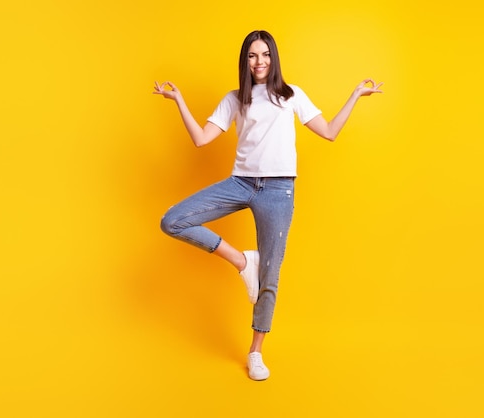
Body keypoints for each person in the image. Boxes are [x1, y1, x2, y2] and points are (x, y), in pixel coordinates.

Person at [153, 30, 382, 381]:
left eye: (265, 55)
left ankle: (256, 352)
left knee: (270, 278)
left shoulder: (292, 96)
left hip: (278, 190)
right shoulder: (235, 99)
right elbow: (201, 139)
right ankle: (244, 261)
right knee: (173, 220)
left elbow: (330, 132)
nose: (259, 62)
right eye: (252, 56)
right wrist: (179, 100)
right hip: (240, 183)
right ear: (245, 60)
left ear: (273, 58)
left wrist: (355, 96)